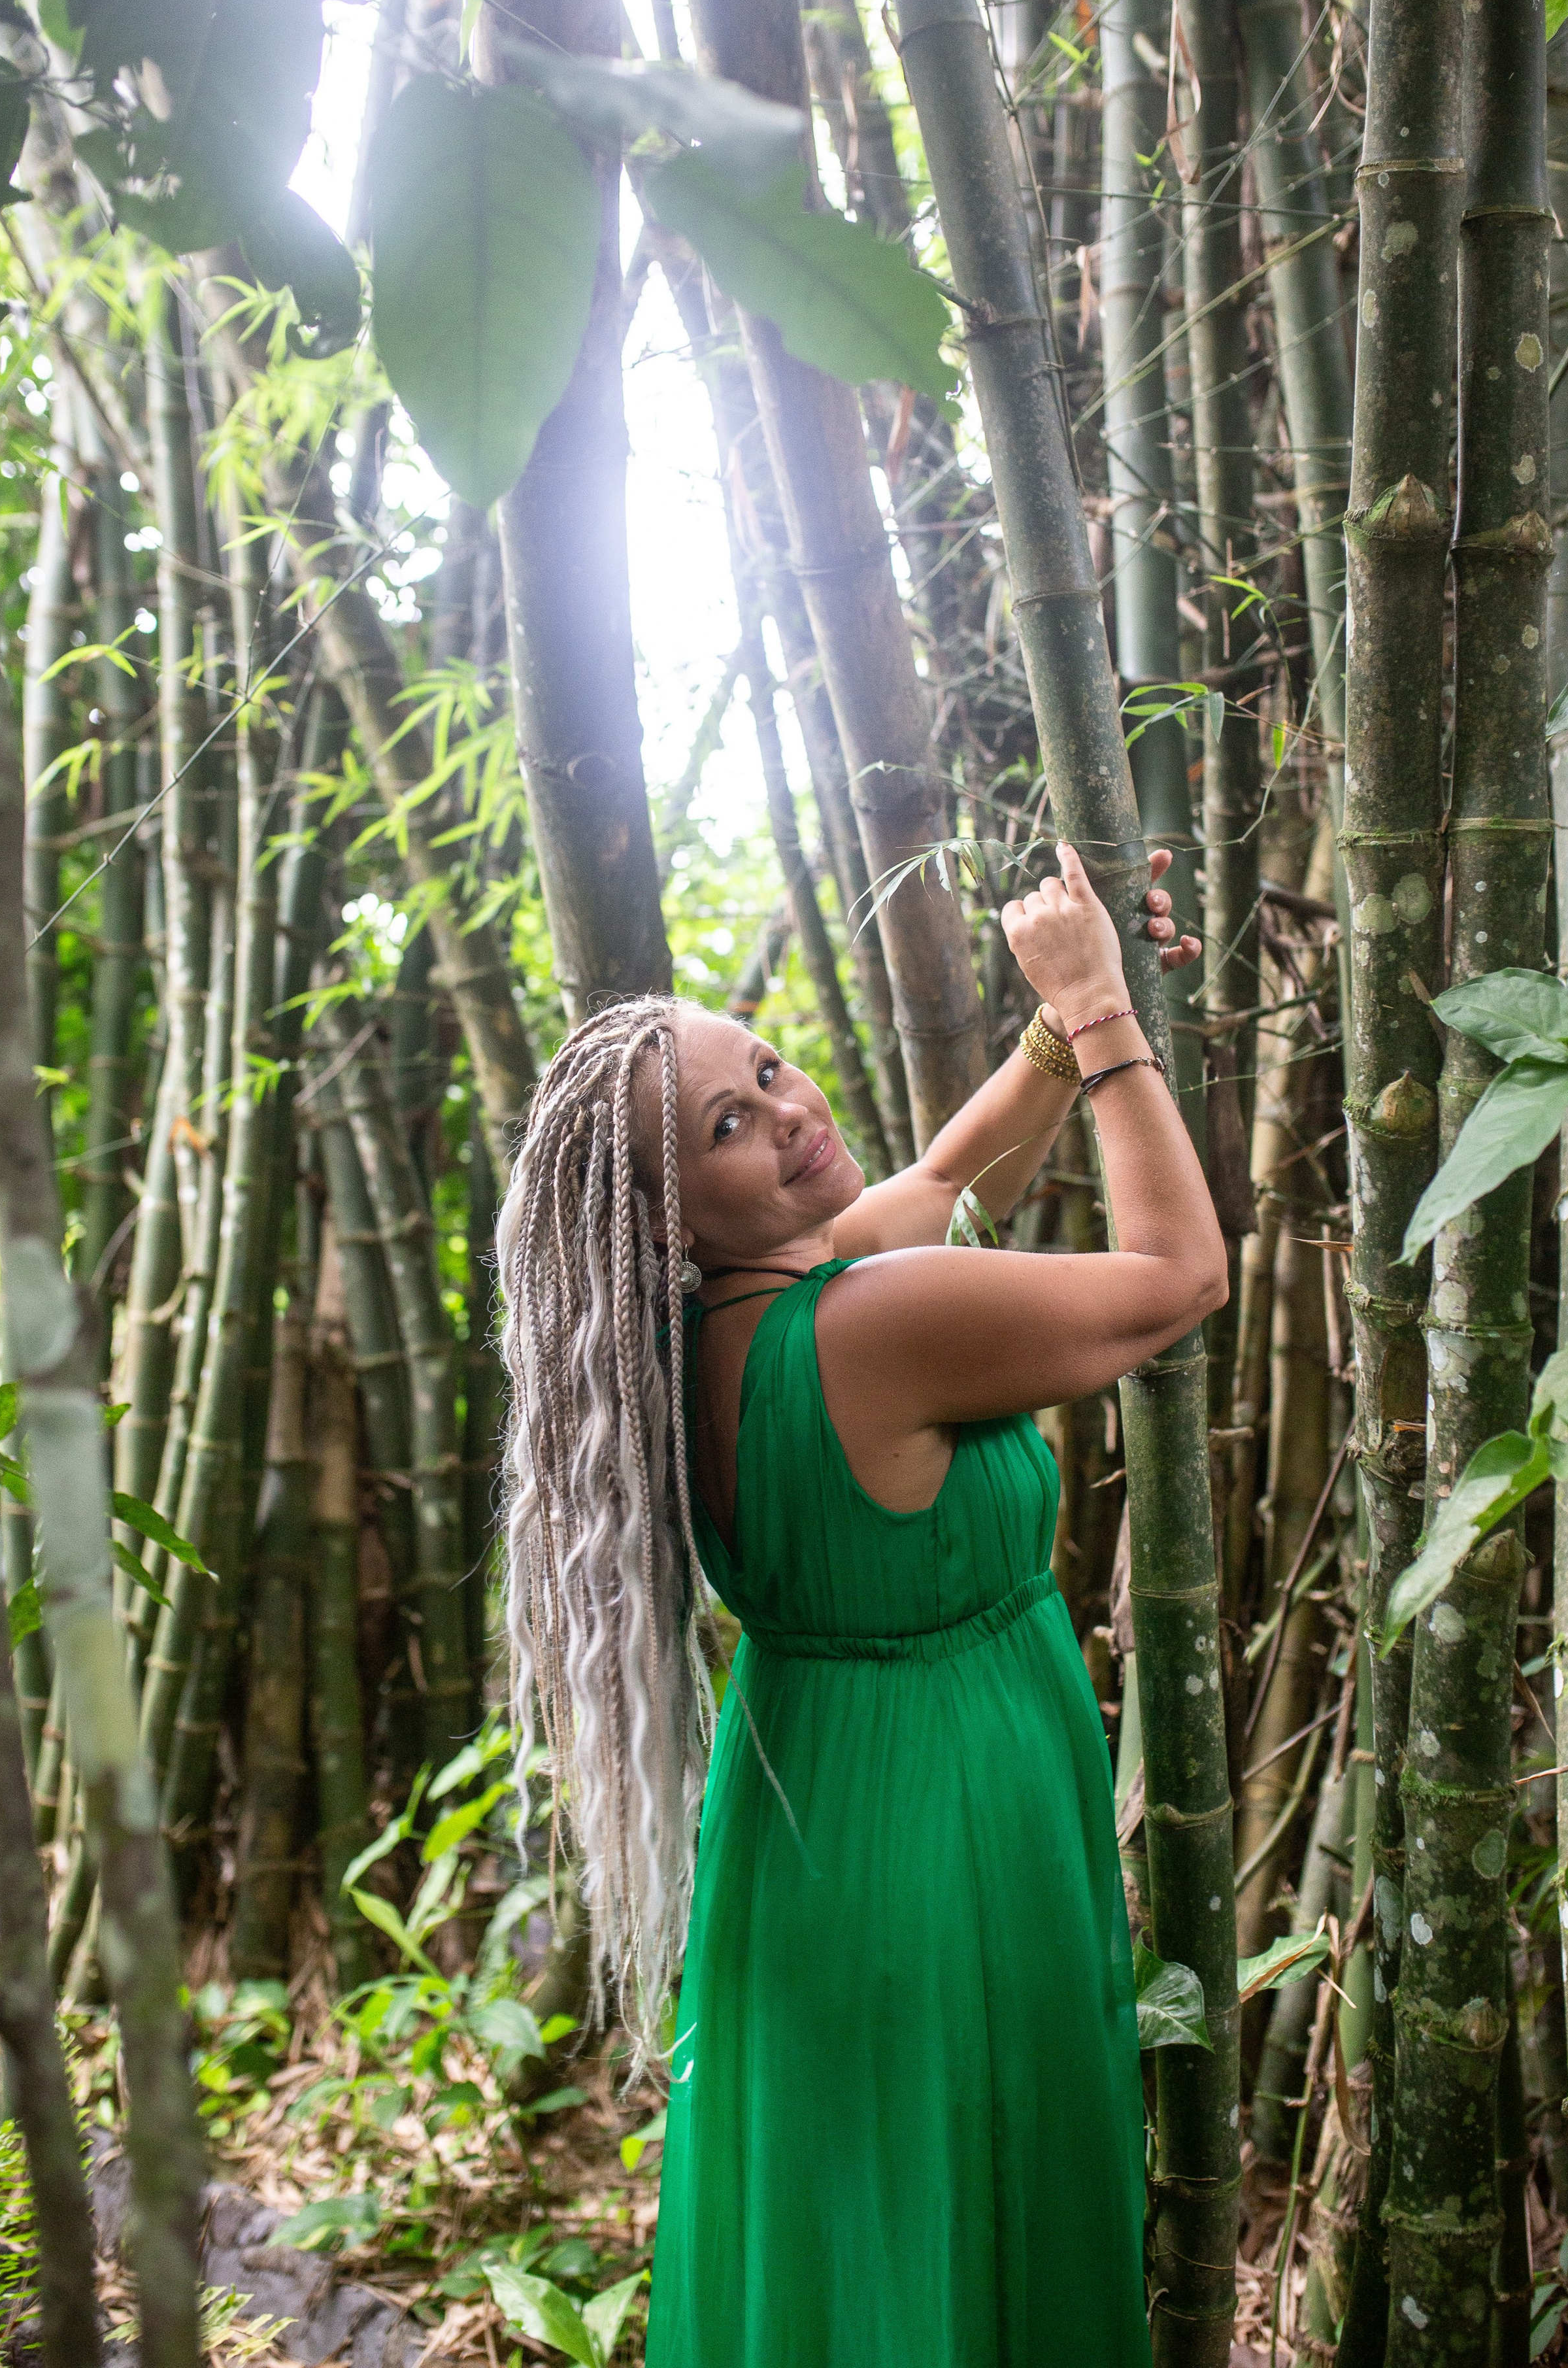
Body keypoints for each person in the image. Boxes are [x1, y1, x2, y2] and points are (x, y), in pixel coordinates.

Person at [497, 843, 1225, 2368]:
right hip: (945, 1823)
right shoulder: (871, 1327)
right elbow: (1175, 1278)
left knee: (869, 2222)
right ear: (664, 1219)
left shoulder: (702, 1338)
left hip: (819, 1821)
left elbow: (930, 1188)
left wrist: (1047, 1037)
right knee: (979, 2203)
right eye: (726, 1125)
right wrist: (1101, 1020)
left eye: (765, 1068)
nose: (786, 1111)